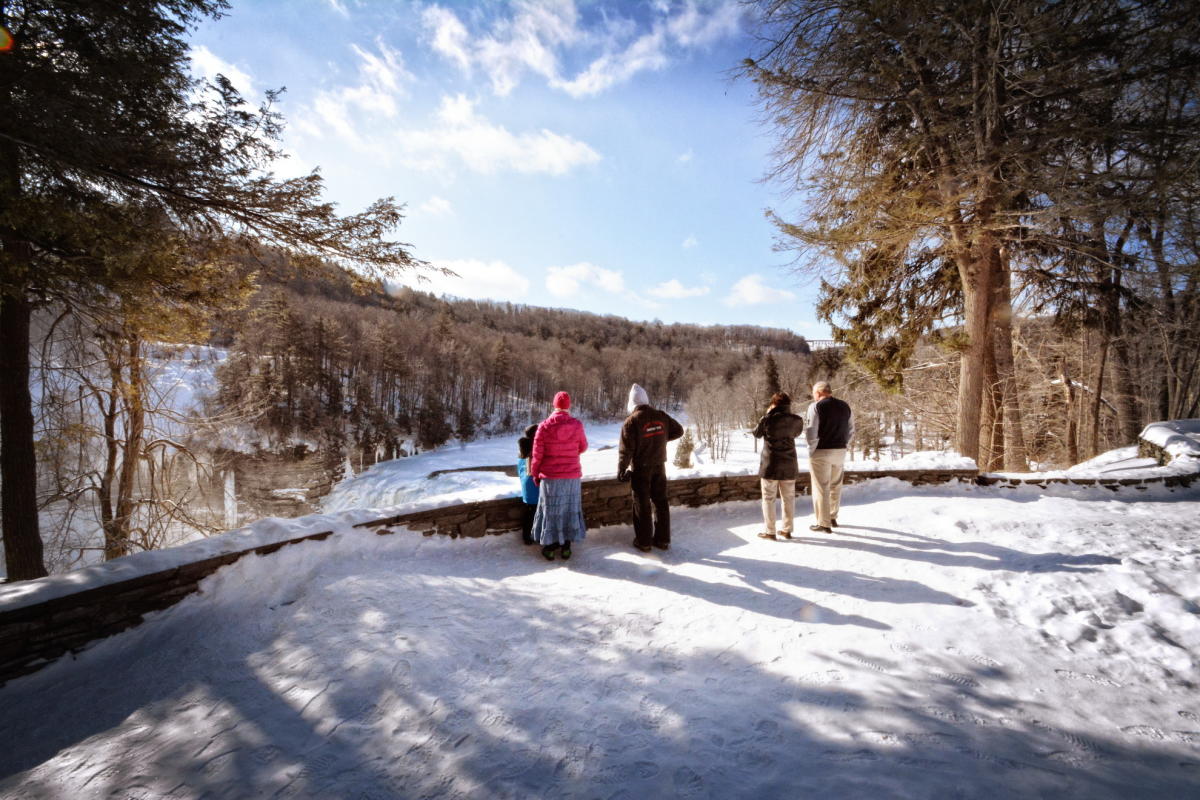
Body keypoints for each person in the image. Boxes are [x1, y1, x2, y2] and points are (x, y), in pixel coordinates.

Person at [617, 383, 684, 552]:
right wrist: (659, 440)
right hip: (659, 466)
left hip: (641, 468)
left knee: (642, 504)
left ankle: (644, 542)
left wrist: (621, 469)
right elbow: (679, 431)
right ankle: (662, 540)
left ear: (632, 403)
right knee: (661, 502)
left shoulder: (631, 421)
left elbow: (626, 450)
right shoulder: (660, 415)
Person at [529, 392, 588, 561]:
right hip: (571, 476)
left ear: (554, 405)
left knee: (551, 511)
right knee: (569, 510)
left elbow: (537, 455)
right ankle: (566, 548)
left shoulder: (544, 426)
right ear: (568, 406)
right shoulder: (577, 425)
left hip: (551, 477)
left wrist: (535, 474)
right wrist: (570, 450)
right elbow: (583, 447)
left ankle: (550, 547)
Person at [752, 391, 805, 541]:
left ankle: (770, 531)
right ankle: (787, 530)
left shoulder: (768, 419)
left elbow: (756, 433)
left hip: (771, 464)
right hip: (789, 464)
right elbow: (796, 433)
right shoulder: (797, 420)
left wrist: (767, 415)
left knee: (768, 498)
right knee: (789, 498)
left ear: (774, 404)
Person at [805, 381, 854, 533]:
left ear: (818, 393)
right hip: (840, 450)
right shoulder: (845, 406)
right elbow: (851, 429)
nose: (813, 397)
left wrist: (811, 451)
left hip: (821, 451)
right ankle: (832, 516)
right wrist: (844, 445)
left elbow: (811, 432)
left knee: (821, 488)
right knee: (835, 486)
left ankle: (823, 523)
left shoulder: (816, 407)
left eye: (813, 394)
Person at [516, 424, 539, 545]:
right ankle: (527, 537)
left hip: (527, 489)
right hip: (534, 487)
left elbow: (520, 471)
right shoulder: (533, 452)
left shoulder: (523, 451)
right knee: (533, 513)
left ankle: (527, 536)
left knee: (530, 512)